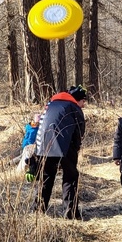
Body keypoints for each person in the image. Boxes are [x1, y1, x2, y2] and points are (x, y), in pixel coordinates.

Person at [35, 86, 88, 220]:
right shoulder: (74, 107)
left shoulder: (50, 105)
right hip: (66, 146)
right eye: (83, 101)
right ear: (78, 100)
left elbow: (41, 126)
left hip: (44, 147)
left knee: (46, 178)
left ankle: (37, 211)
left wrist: (38, 150)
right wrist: (75, 149)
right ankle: (70, 214)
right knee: (70, 177)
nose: (83, 105)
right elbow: (79, 131)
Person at [16, 112, 43, 177]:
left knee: (22, 156)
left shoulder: (29, 127)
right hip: (28, 145)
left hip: (26, 144)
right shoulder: (33, 130)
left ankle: (12, 162)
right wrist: (32, 145)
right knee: (26, 158)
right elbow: (30, 139)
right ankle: (21, 170)